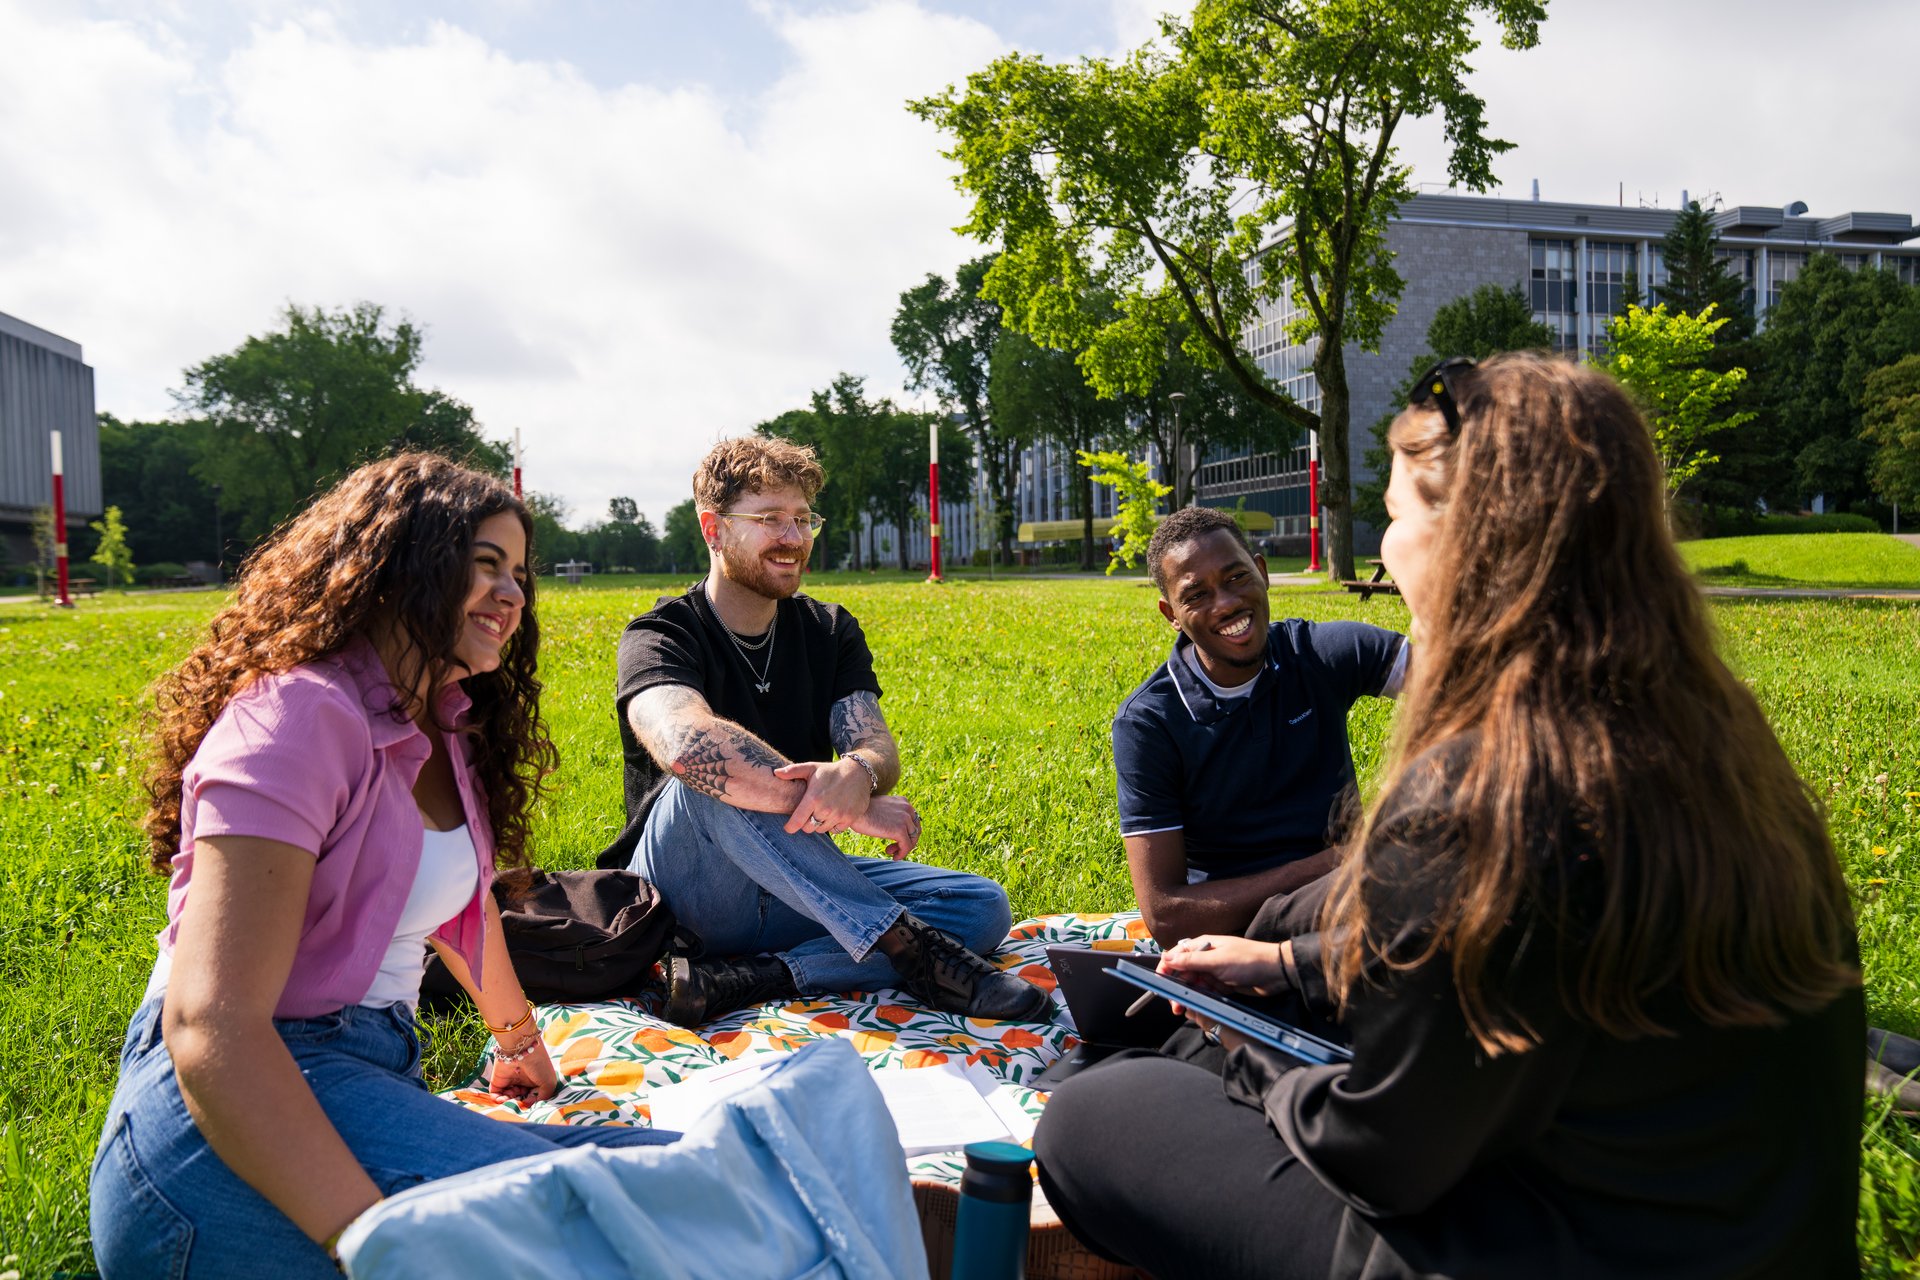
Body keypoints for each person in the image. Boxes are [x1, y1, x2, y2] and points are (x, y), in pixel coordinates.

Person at [1035, 354, 1864, 1279]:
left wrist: (1246, 1052)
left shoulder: (1483, 795)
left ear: (1470, 539)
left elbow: (1381, 1157)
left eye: (1395, 517)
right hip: (1756, 1244)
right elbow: (1511, 976)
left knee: (1094, 1118)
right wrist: (1290, 965)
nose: (1386, 552)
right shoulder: (1725, 743)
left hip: (1541, 1249)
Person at [90, 454, 678, 1279]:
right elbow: (210, 1027)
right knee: (633, 1205)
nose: (512, 594)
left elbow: (458, 907)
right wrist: (380, 1243)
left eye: (518, 574)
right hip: (220, 1126)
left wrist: (519, 1041)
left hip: (359, 1079)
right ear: (399, 566)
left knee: (665, 1179)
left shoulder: (443, 722)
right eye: (485, 565)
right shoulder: (296, 717)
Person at [615, 436, 1049, 1026]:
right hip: (685, 893)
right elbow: (685, 746)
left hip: (790, 880)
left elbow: (874, 743)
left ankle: (755, 977)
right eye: (770, 519)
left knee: (978, 907)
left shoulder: (829, 629)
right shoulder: (662, 634)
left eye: (803, 519)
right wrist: (852, 810)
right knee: (711, 774)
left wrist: (859, 773)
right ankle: (912, 950)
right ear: (713, 528)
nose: (793, 538)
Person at [1113, 506, 1404, 949]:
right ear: (1171, 613)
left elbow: (1470, 685)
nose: (1226, 603)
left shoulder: (1318, 653)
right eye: (1196, 595)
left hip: (1357, 896)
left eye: (1236, 577)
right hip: (1243, 930)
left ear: (1262, 572)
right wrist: (1334, 864)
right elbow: (1167, 915)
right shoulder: (1149, 721)